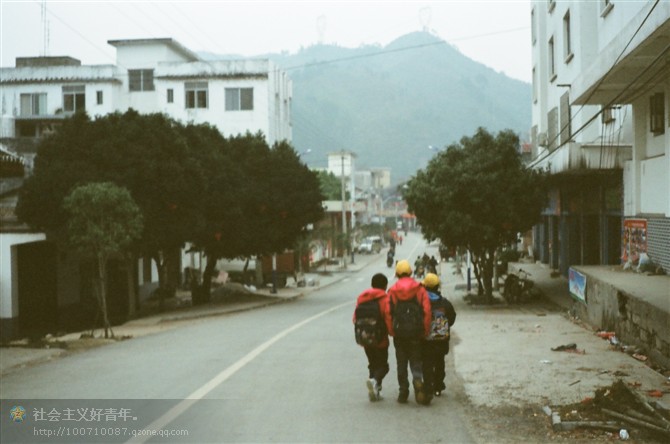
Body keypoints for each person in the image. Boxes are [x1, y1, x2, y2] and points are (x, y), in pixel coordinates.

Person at [387, 260, 432, 405]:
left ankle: (403, 391)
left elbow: (388, 313)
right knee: (415, 360)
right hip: (415, 332)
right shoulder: (420, 289)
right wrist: (424, 330)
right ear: (411, 272)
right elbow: (427, 311)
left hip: (399, 332)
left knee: (401, 362)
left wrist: (391, 330)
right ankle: (418, 380)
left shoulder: (393, 291)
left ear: (397, 274)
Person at [353, 273, 391, 402]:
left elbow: (355, 319)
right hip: (381, 339)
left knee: (372, 364)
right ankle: (374, 381)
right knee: (384, 366)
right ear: (385, 286)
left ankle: (375, 389)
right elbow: (388, 318)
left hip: (365, 339)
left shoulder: (361, 298)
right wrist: (391, 332)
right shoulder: (385, 299)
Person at [421, 273, 457, 398]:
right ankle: (438, 386)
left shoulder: (421, 302)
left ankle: (428, 385)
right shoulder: (445, 303)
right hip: (441, 339)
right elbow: (452, 318)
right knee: (439, 362)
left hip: (425, 339)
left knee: (427, 362)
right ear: (437, 287)